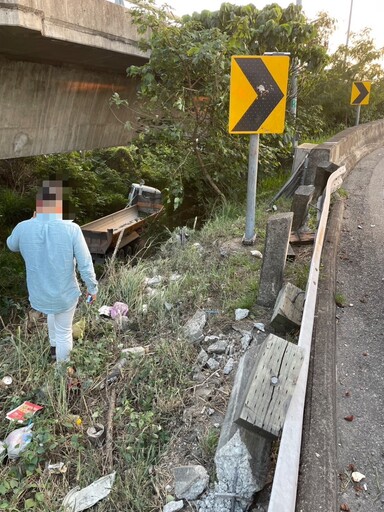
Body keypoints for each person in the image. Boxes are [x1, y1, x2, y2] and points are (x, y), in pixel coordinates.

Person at [6, 180, 98, 364]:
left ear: (38, 205)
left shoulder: (23, 227)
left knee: (51, 314)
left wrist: (31, 222)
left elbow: (11, 245)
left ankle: (54, 349)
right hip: (64, 294)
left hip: (39, 293)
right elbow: (85, 263)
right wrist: (92, 288)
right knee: (64, 331)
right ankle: (61, 373)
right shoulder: (72, 229)